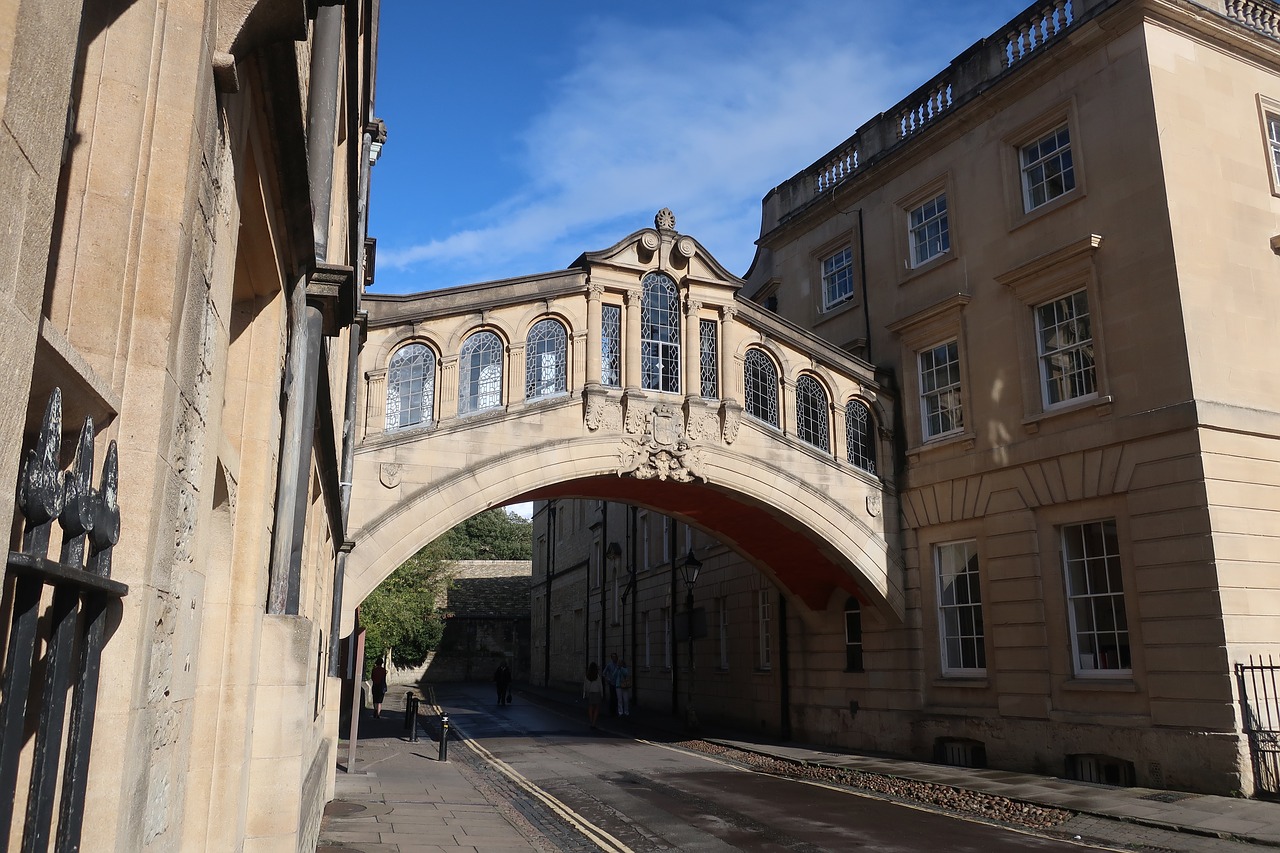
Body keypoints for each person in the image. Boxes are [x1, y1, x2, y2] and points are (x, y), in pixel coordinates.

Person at [583, 661, 604, 728]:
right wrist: (602, 694)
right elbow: (600, 686)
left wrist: (585, 694)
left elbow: (585, 686)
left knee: (590, 707)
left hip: (590, 693)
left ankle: (591, 720)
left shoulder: (587, 676)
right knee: (596, 708)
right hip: (597, 693)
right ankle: (594, 722)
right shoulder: (597, 677)